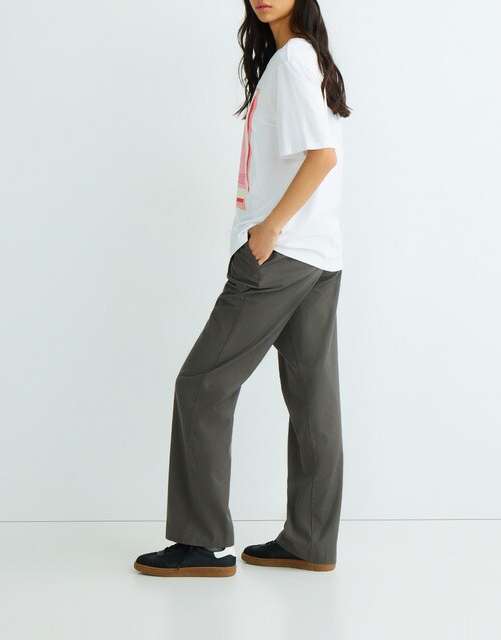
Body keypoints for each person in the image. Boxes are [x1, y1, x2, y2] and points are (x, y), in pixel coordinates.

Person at [134, 0, 351, 578]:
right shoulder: (304, 58)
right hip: (318, 254)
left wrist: (269, 228)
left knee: (201, 385)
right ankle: (310, 541)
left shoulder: (293, 61)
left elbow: (322, 157)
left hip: (279, 256)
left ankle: (202, 542)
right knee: (313, 402)